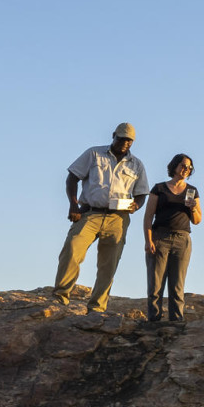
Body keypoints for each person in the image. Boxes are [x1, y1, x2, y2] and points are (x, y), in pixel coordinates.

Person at [54, 123, 150, 313]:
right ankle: (60, 296)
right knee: (72, 249)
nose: (124, 143)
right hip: (90, 212)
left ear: (133, 142)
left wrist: (136, 205)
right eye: (121, 138)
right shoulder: (94, 154)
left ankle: (97, 307)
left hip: (118, 218)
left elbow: (141, 193)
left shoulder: (137, 164)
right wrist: (73, 205)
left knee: (109, 262)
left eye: (128, 140)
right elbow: (72, 177)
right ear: (113, 136)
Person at [143, 154, 201, 324]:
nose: (186, 169)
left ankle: (176, 322)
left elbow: (197, 220)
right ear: (174, 166)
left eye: (189, 167)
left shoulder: (192, 191)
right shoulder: (159, 188)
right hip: (160, 237)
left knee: (177, 285)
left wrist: (193, 209)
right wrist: (148, 240)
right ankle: (154, 321)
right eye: (183, 165)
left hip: (182, 239)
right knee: (156, 284)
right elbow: (148, 217)